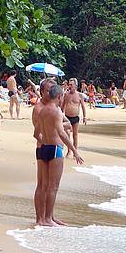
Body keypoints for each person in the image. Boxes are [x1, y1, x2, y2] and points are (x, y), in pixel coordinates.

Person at [33, 82, 83, 226]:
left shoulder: (42, 110)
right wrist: (74, 151)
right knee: (53, 186)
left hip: (43, 148)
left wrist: (44, 141)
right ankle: (48, 219)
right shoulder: (56, 111)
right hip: (55, 149)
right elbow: (62, 133)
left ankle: (42, 219)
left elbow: (36, 133)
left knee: (43, 185)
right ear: (60, 96)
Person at [61, 78, 86, 158]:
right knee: (67, 134)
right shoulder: (66, 94)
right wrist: (60, 115)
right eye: (69, 84)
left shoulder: (80, 95)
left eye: (71, 85)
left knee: (75, 135)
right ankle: (69, 151)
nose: (69, 86)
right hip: (67, 117)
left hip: (75, 118)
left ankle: (75, 152)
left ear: (75, 86)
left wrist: (84, 117)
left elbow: (83, 107)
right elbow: (62, 106)